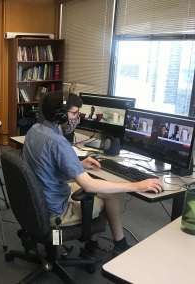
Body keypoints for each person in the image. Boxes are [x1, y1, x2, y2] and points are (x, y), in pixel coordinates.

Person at [22, 92, 162, 254]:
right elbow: (89, 185)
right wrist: (137, 185)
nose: (77, 117)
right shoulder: (58, 142)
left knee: (101, 190)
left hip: (37, 201)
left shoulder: (35, 130)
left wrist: (79, 164)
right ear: (60, 114)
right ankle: (111, 244)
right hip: (55, 211)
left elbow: (45, 166)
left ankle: (95, 245)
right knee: (108, 195)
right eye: (74, 113)